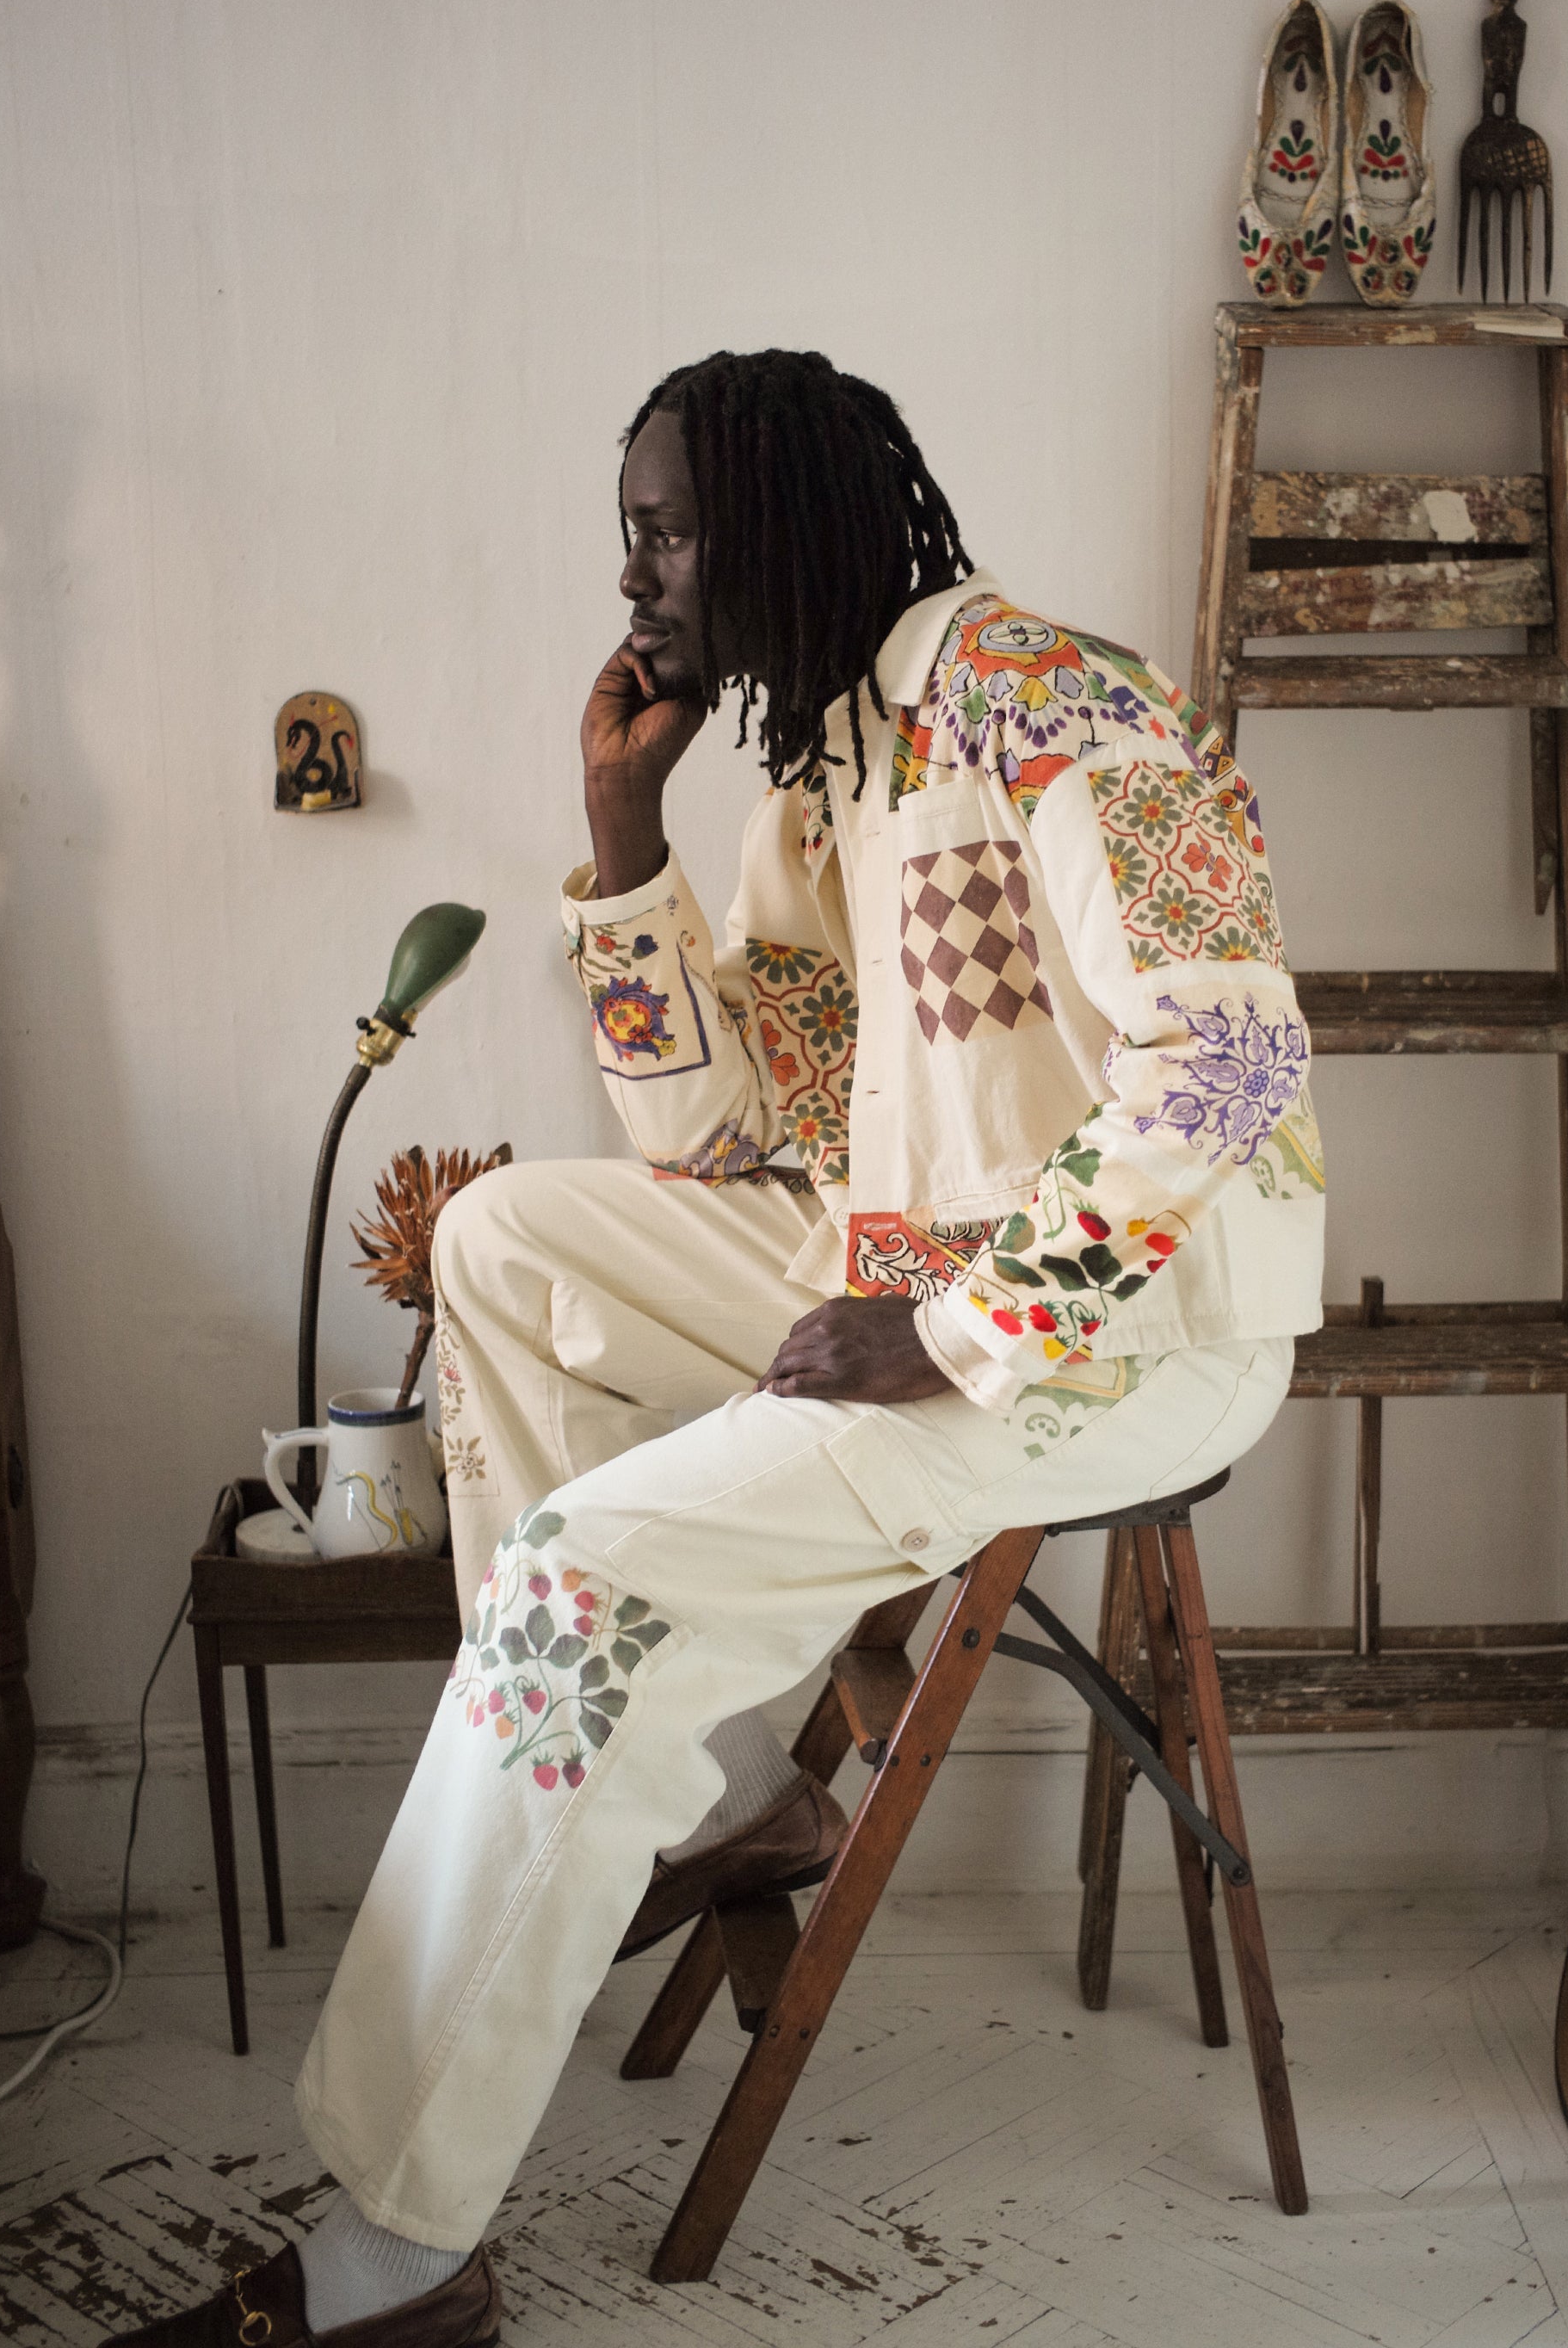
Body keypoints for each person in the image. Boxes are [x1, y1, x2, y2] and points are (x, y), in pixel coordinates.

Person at [114, 349, 1324, 2347]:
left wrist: (953, 1321)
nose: (638, 583)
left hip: (1138, 1333)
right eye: (630, 540)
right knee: (503, 1234)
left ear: (782, 518)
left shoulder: (1050, 697)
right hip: (912, 1271)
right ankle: (720, 1797)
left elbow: (1234, 1055)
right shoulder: (824, 781)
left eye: (666, 533)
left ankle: (401, 2251)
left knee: (587, 1582)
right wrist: (621, 833)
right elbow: (719, 1146)